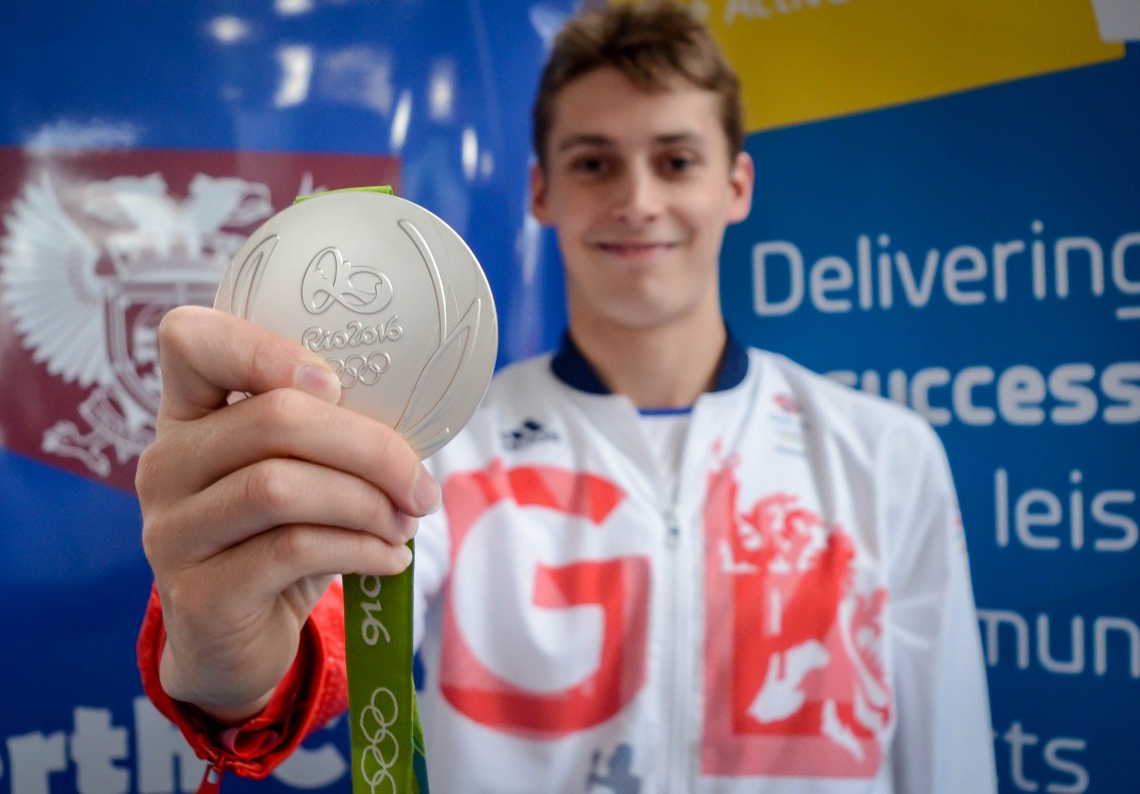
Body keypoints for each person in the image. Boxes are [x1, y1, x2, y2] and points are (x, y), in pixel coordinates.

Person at [136, 2, 997, 791]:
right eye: (594, 163)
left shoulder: (884, 453)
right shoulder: (437, 447)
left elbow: (949, 758)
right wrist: (228, 657)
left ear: (735, 186)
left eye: (676, 160)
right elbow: (300, 661)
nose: (637, 200)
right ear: (542, 192)